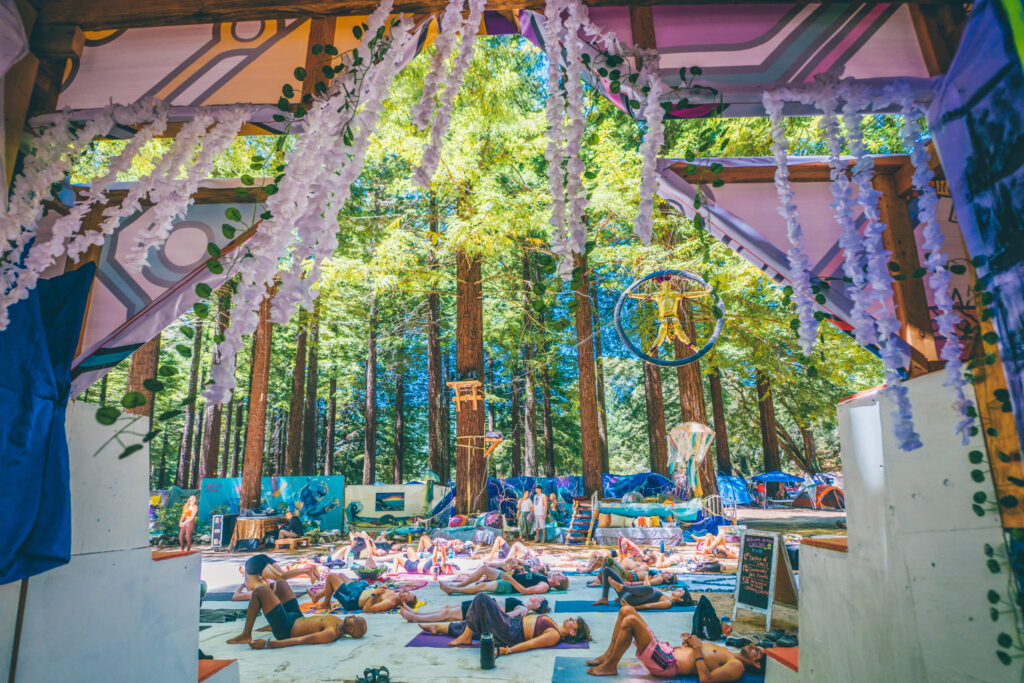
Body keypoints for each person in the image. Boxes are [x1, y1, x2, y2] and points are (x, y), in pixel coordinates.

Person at [585, 605, 765, 680]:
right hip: (666, 651)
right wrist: (689, 643)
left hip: (667, 663)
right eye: (756, 646)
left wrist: (696, 648)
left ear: (756, 664)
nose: (752, 646)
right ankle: (609, 655)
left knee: (630, 621)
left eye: (756, 651)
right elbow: (699, 654)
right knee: (626, 610)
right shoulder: (726, 652)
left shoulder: (736, 666)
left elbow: (706, 679)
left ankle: (611, 665)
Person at [419, 593, 589, 654]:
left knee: (482, 599)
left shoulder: (554, 635)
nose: (572, 619)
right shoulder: (553, 624)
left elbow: (530, 644)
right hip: (511, 623)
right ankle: (438, 627)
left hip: (511, 631)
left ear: (573, 632)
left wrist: (506, 651)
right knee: (476, 621)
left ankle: (465, 637)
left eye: (575, 623)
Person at [226, 578, 367, 648]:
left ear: (350, 629)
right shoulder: (339, 621)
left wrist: (267, 644)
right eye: (356, 615)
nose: (354, 615)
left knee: (260, 591)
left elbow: (301, 640)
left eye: (356, 619)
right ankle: (272, 616)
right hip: (297, 617)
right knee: (281, 583)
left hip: (286, 628)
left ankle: (246, 634)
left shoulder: (331, 633)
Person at [310, 572, 417, 613]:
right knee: (341, 575)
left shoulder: (390, 602)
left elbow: (367, 609)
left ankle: (326, 604)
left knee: (331, 577)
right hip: (358, 592)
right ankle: (317, 596)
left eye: (408, 595)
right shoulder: (394, 595)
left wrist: (375, 593)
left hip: (352, 599)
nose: (407, 592)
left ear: (403, 602)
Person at [592, 567, 692, 609]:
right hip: (628, 595)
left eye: (680, 591)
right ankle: (604, 598)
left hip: (630, 601)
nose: (678, 589)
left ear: (680, 599)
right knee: (606, 570)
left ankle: (622, 587)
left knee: (650, 589)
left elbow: (649, 606)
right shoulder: (664, 593)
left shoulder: (667, 602)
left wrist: (632, 608)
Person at [399, 595, 548, 623]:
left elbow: (506, 616)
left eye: (539, 598)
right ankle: (416, 612)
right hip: (481, 602)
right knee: (446, 607)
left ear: (537, 605)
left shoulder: (523, 609)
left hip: (482, 608)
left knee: (446, 614)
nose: (536, 596)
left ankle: (415, 618)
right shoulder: (522, 602)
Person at [440, 568, 568, 595]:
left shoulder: (544, 586)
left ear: (557, 583)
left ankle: (452, 590)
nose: (558, 573)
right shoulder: (544, 577)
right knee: (484, 569)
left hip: (509, 586)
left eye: (560, 576)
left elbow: (525, 591)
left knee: (482, 586)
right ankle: (458, 585)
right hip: (509, 578)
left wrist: (510, 579)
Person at [240, 553, 319, 588]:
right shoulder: (255, 582)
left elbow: (235, 597)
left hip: (254, 565)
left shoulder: (251, 588)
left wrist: (240, 588)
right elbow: (268, 583)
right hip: (258, 560)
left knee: (281, 577)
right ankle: (308, 570)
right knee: (282, 575)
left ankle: (307, 570)